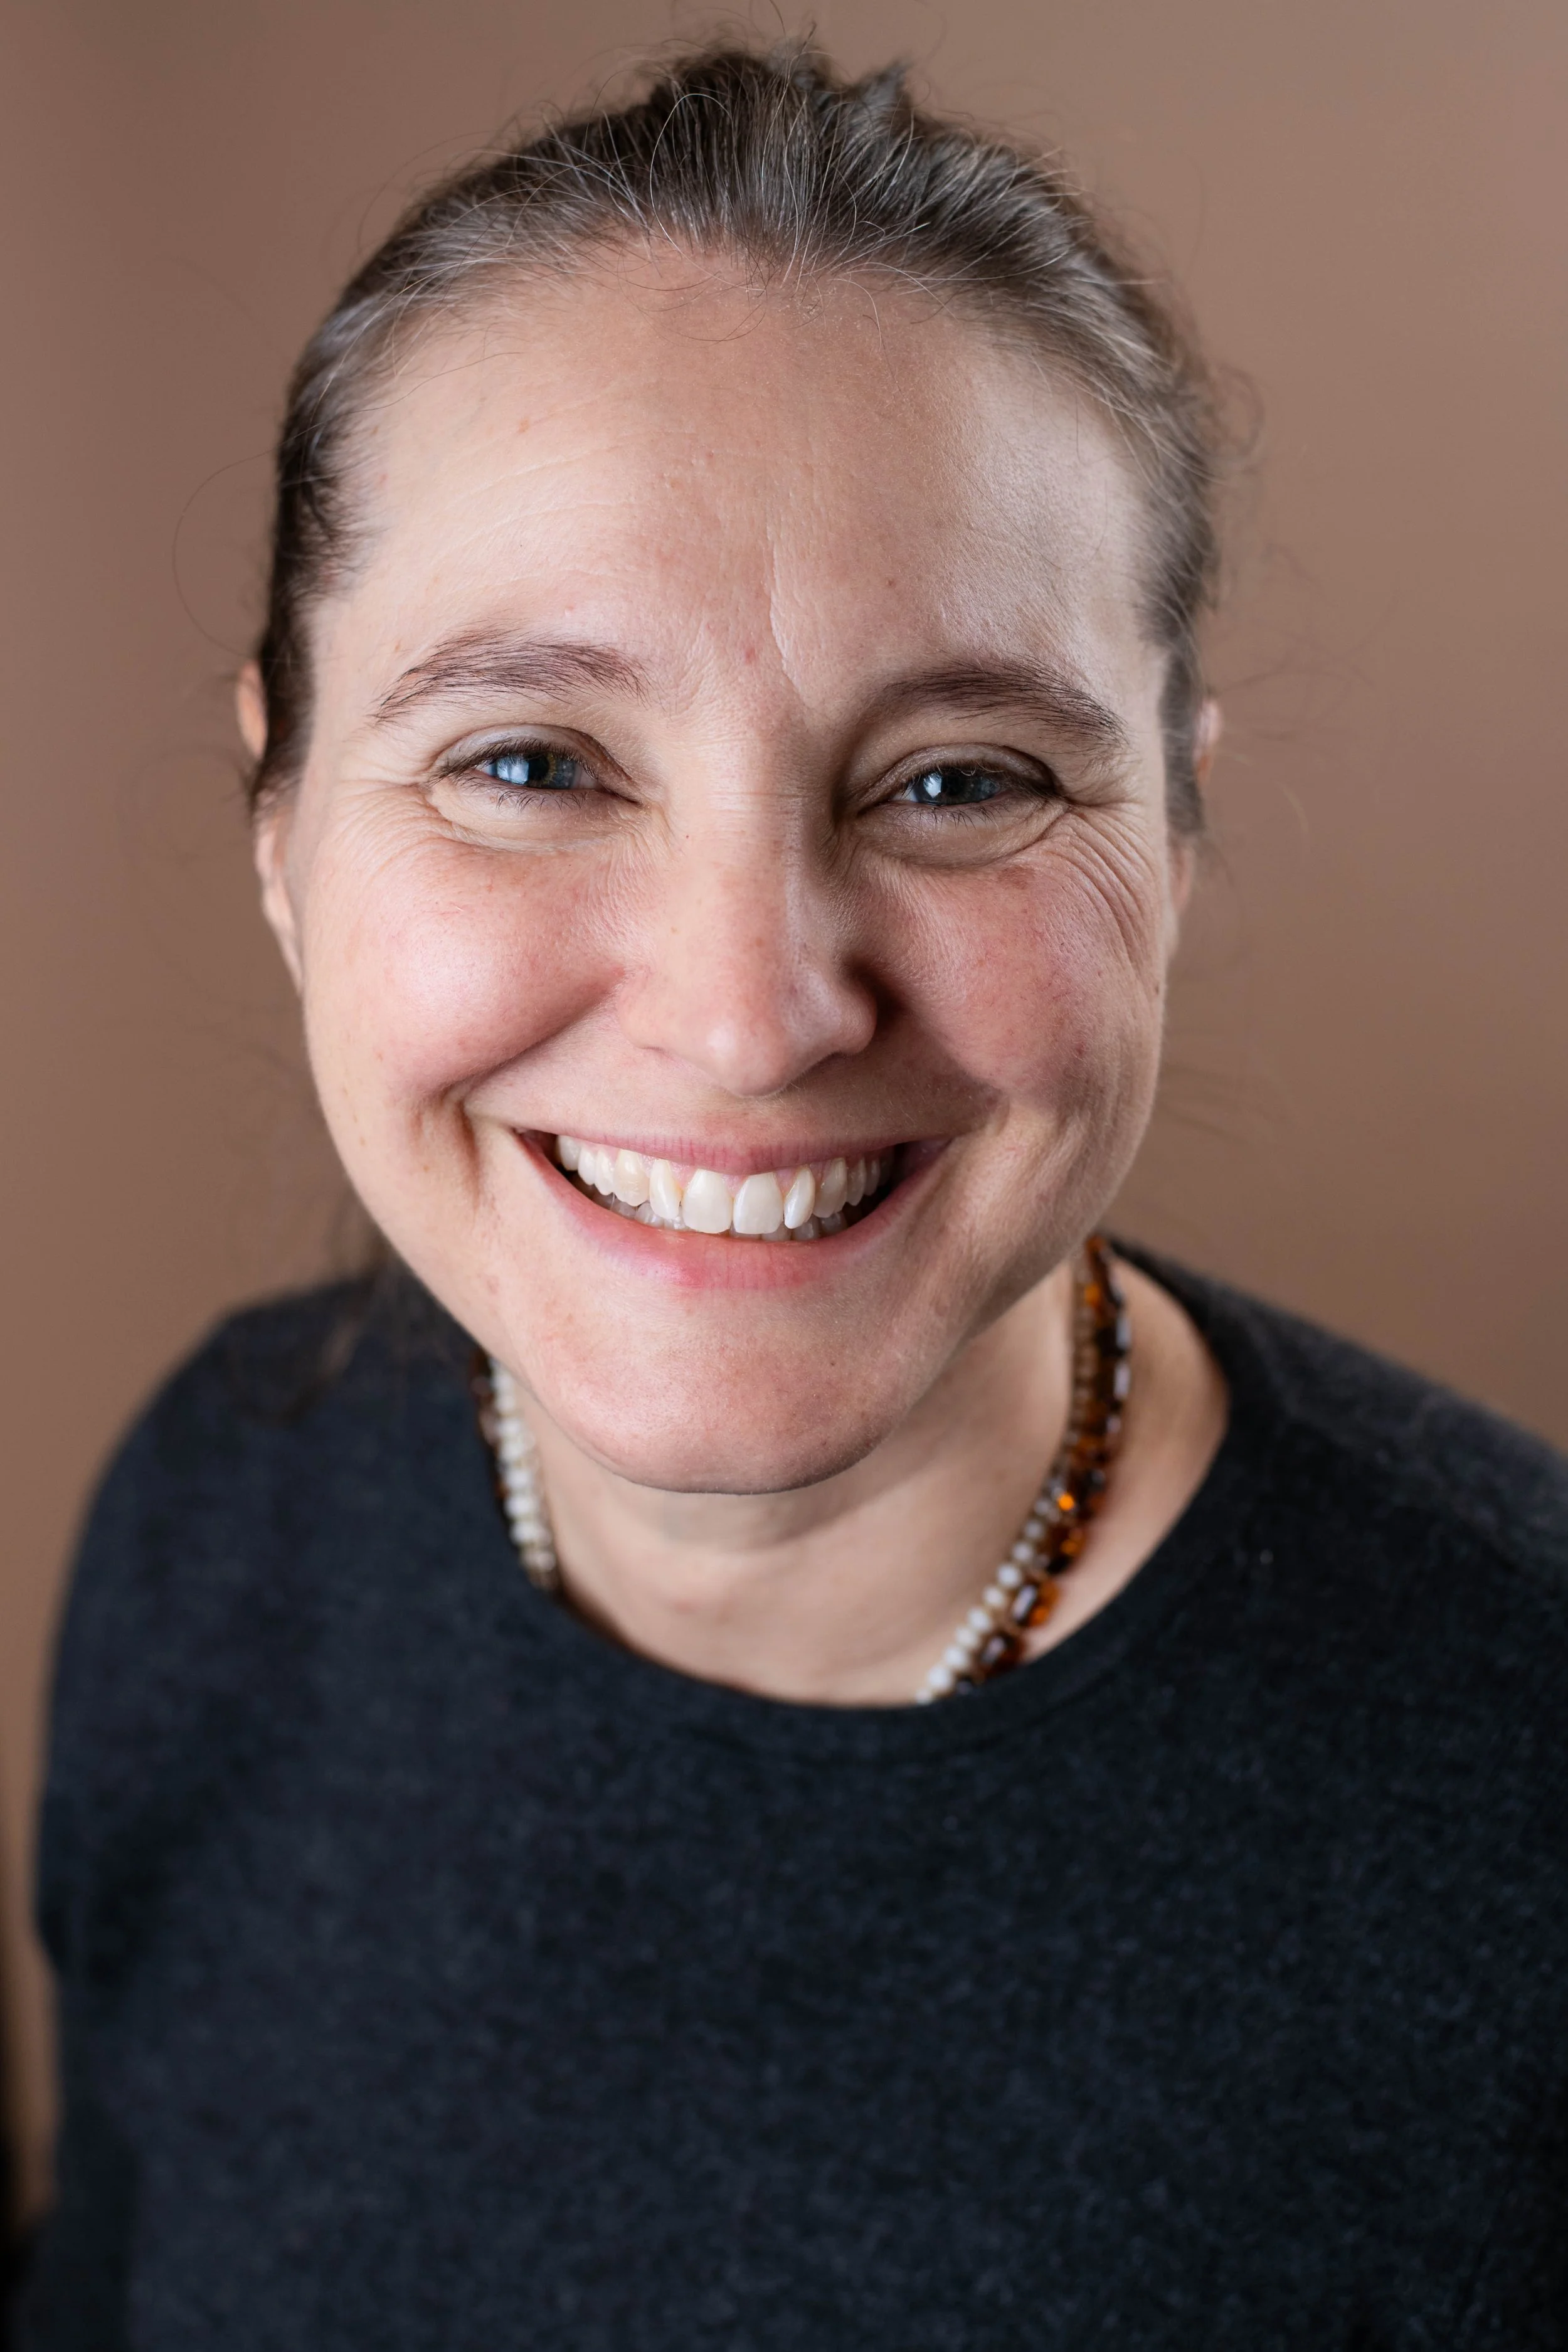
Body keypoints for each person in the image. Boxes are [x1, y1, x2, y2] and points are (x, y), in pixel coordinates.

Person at [17, 44, 1567, 2351]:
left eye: (960, 777)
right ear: (281, 822)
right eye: (529, 762)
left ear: (1178, 830)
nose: (751, 1014)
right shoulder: (213, 1521)